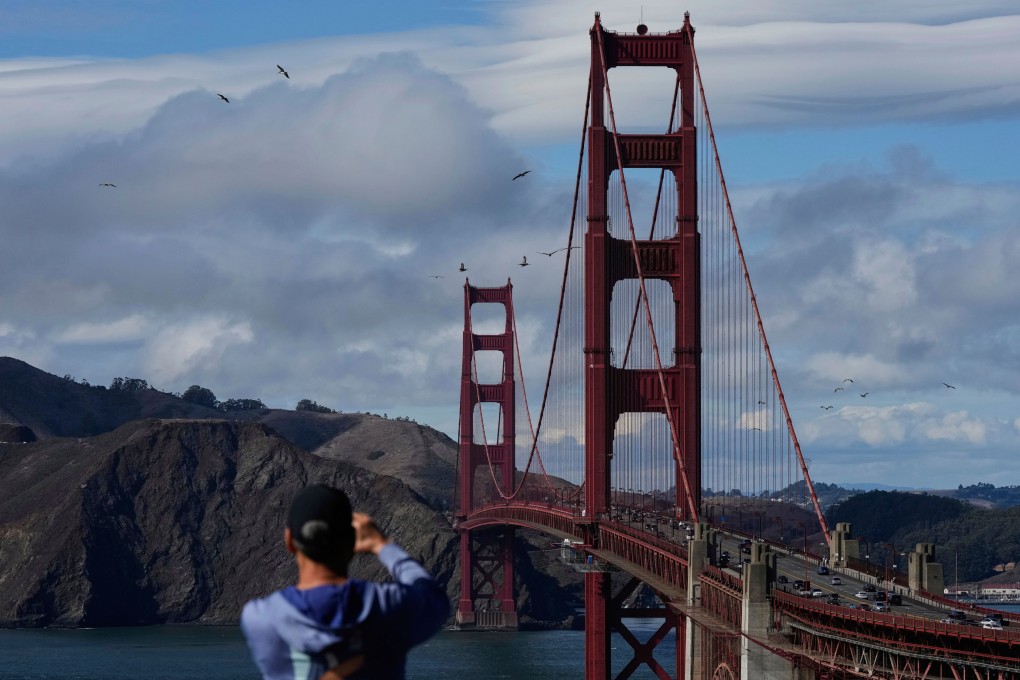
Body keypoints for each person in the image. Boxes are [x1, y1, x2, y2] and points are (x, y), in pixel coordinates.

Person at [241, 484, 450, 679]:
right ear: (352, 542)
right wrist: (382, 545)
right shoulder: (387, 606)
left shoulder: (261, 618)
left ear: (289, 541)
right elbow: (433, 598)